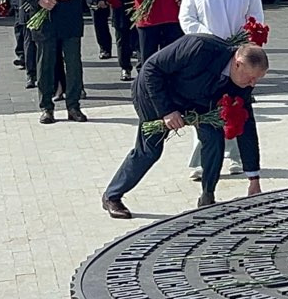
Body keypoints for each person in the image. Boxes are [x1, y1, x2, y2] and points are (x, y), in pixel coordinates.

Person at [100, 38, 268, 217]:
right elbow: (151, 70)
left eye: (257, 79)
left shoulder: (243, 83)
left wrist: (254, 178)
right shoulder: (199, 48)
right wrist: (166, 111)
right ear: (237, 63)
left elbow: (246, 126)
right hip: (157, 93)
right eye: (251, 78)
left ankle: (207, 198)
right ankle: (112, 196)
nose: (253, 84)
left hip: (198, 101)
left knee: (214, 139)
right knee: (150, 150)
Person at [179, 0, 265, 180]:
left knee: (236, 106)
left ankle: (236, 157)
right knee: (204, 107)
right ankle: (200, 161)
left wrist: (243, 42)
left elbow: (256, 17)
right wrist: (208, 40)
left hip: (236, 56)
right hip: (205, 53)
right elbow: (187, 17)